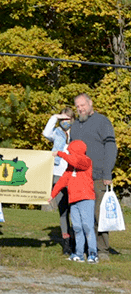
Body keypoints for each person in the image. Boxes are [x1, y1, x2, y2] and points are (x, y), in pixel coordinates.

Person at [70, 93, 117, 261]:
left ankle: (102, 250)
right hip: (78, 177)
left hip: (97, 176)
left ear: (90, 104)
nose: (80, 109)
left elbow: (111, 148)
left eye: (83, 105)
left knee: (98, 214)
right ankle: (79, 249)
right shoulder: (75, 126)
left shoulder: (103, 122)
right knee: (78, 214)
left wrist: (107, 173)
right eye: (77, 106)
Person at [50, 140, 97, 264]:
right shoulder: (70, 167)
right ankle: (79, 254)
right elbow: (62, 181)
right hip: (74, 200)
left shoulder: (86, 161)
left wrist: (60, 154)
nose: (69, 153)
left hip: (86, 199)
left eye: (71, 151)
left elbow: (75, 161)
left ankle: (93, 254)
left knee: (87, 226)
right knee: (77, 228)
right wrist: (52, 195)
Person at [42, 108, 74, 255]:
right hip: (57, 175)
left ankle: (77, 240)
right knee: (63, 209)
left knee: (75, 209)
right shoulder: (56, 132)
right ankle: (66, 242)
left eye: (67, 119)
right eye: (63, 119)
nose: (65, 122)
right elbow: (45, 133)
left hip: (73, 174)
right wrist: (55, 116)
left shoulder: (77, 133)